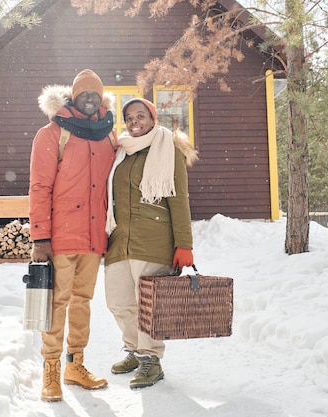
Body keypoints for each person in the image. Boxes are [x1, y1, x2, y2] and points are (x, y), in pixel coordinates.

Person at [28, 69, 117, 402]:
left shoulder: (109, 135)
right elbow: (39, 188)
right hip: (62, 237)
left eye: (96, 93)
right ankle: (50, 369)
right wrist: (40, 238)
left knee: (83, 302)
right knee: (57, 303)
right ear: (74, 97)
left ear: (101, 97)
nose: (90, 98)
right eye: (84, 93)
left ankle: (75, 364)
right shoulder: (52, 133)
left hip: (94, 238)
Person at [104, 98, 198, 389]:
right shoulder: (121, 152)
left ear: (153, 118)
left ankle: (151, 359)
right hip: (120, 239)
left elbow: (179, 198)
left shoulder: (168, 147)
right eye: (129, 117)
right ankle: (133, 349)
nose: (134, 122)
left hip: (155, 238)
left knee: (148, 305)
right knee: (118, 301)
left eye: (140, 115)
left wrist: (184, 243)